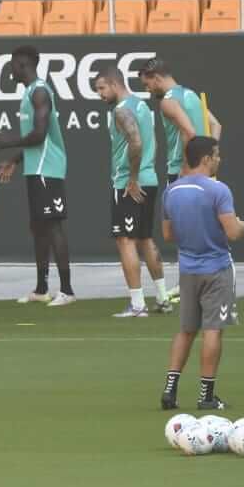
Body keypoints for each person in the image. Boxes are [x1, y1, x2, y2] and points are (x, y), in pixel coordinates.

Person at [159, 137, 244, 411]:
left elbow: (168, 234)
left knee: (186, 330)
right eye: (217, 155)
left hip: (187, 269)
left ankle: (170, 390)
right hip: (217, 269)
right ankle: (206, 396)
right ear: (206, 159)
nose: (220, 159)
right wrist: (242, 225)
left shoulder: (171, 192)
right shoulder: (218, 191)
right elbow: (233, 232)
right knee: (213, 330)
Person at [0, 46, 74, 307]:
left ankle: (68, 290)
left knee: (53, 227)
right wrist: (15, 160)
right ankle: (41, 289)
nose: (10, 70)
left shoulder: (40, 91)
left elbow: (40, 134)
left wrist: (7, 143)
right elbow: (36, 140)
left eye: (12, 65)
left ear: (22, 64)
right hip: (35, 167)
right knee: (39, 228)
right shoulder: (29, 93)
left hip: (47, 169)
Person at [94, 66, 172, 318]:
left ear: (115, 84)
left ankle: (137, 305)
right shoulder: (143, 107)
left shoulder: (121, 110)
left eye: (101, 88)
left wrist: (133, 177)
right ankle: (162, 298)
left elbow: (136, 142)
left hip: (130, 183)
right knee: (146, 238)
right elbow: (153, 142)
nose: (99, 94)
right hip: (149, 179)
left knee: (125, 240)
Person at [140, 59, 222, 185]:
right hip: (204, 172)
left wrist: (186, 168)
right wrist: (210, 156)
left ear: (156, 78)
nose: (147, 89)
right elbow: (216, 125)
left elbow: (189, 132)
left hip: (181, 172)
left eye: (147, 84)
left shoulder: (167, 101)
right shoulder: (191, 95)